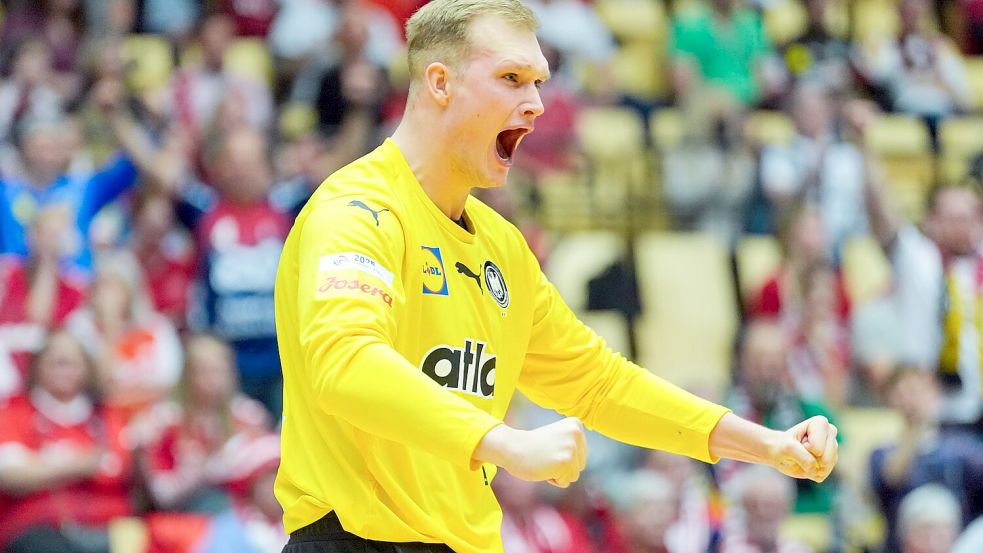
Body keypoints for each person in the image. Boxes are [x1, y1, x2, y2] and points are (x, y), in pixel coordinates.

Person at [272, 2, 839, 552]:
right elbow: (344, 364)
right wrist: (505, 444)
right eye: (512, 78)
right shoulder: (356, 210)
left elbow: (600, 385)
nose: (538, 103)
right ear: (440, 83)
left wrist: (766, 444)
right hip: (353, 540)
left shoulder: (503, 247)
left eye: (540, 81)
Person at [863, 135, 983, 425]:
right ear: (931, 219)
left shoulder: (977, 263)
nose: (962, 225)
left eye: (969, 217)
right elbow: (880, 211)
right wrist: (864, 145)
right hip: (928, 406)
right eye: (951, 217)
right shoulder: (916, 257)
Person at [0, 330, 134, 553]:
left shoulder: (107, 417)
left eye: (70, 362)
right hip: (38, 525)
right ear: (37, 366)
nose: (62, 368)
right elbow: (10, 475)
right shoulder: (15, 412)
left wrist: (43, 464)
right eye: (54, 360)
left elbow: (115, 470)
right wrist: (79, 463)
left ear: (86, 368)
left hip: (109, 524)